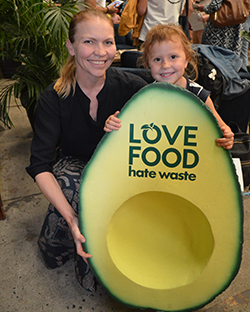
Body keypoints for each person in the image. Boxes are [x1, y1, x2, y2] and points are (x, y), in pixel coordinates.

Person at [26, 9, 147, 291]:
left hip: (122, 164)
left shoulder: (131, 87)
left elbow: (173, 95)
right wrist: (72, 218)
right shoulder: (53, 97)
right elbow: (41, 165)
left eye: (107, 42)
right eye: (89, 42)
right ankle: (84, 250)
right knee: (77, 188)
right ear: (71, 46)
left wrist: (216, 124)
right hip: (77, 163)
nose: (100, 52)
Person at [105, 24, 234, 150]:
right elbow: (130, 127)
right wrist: (114, 123)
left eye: (173, 57)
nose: (165, 65)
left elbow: (222, 128)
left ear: (186, 60)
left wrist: (227, 136)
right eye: (157, 59)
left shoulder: (199, 95)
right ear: (148, 62)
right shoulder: (146, 96)